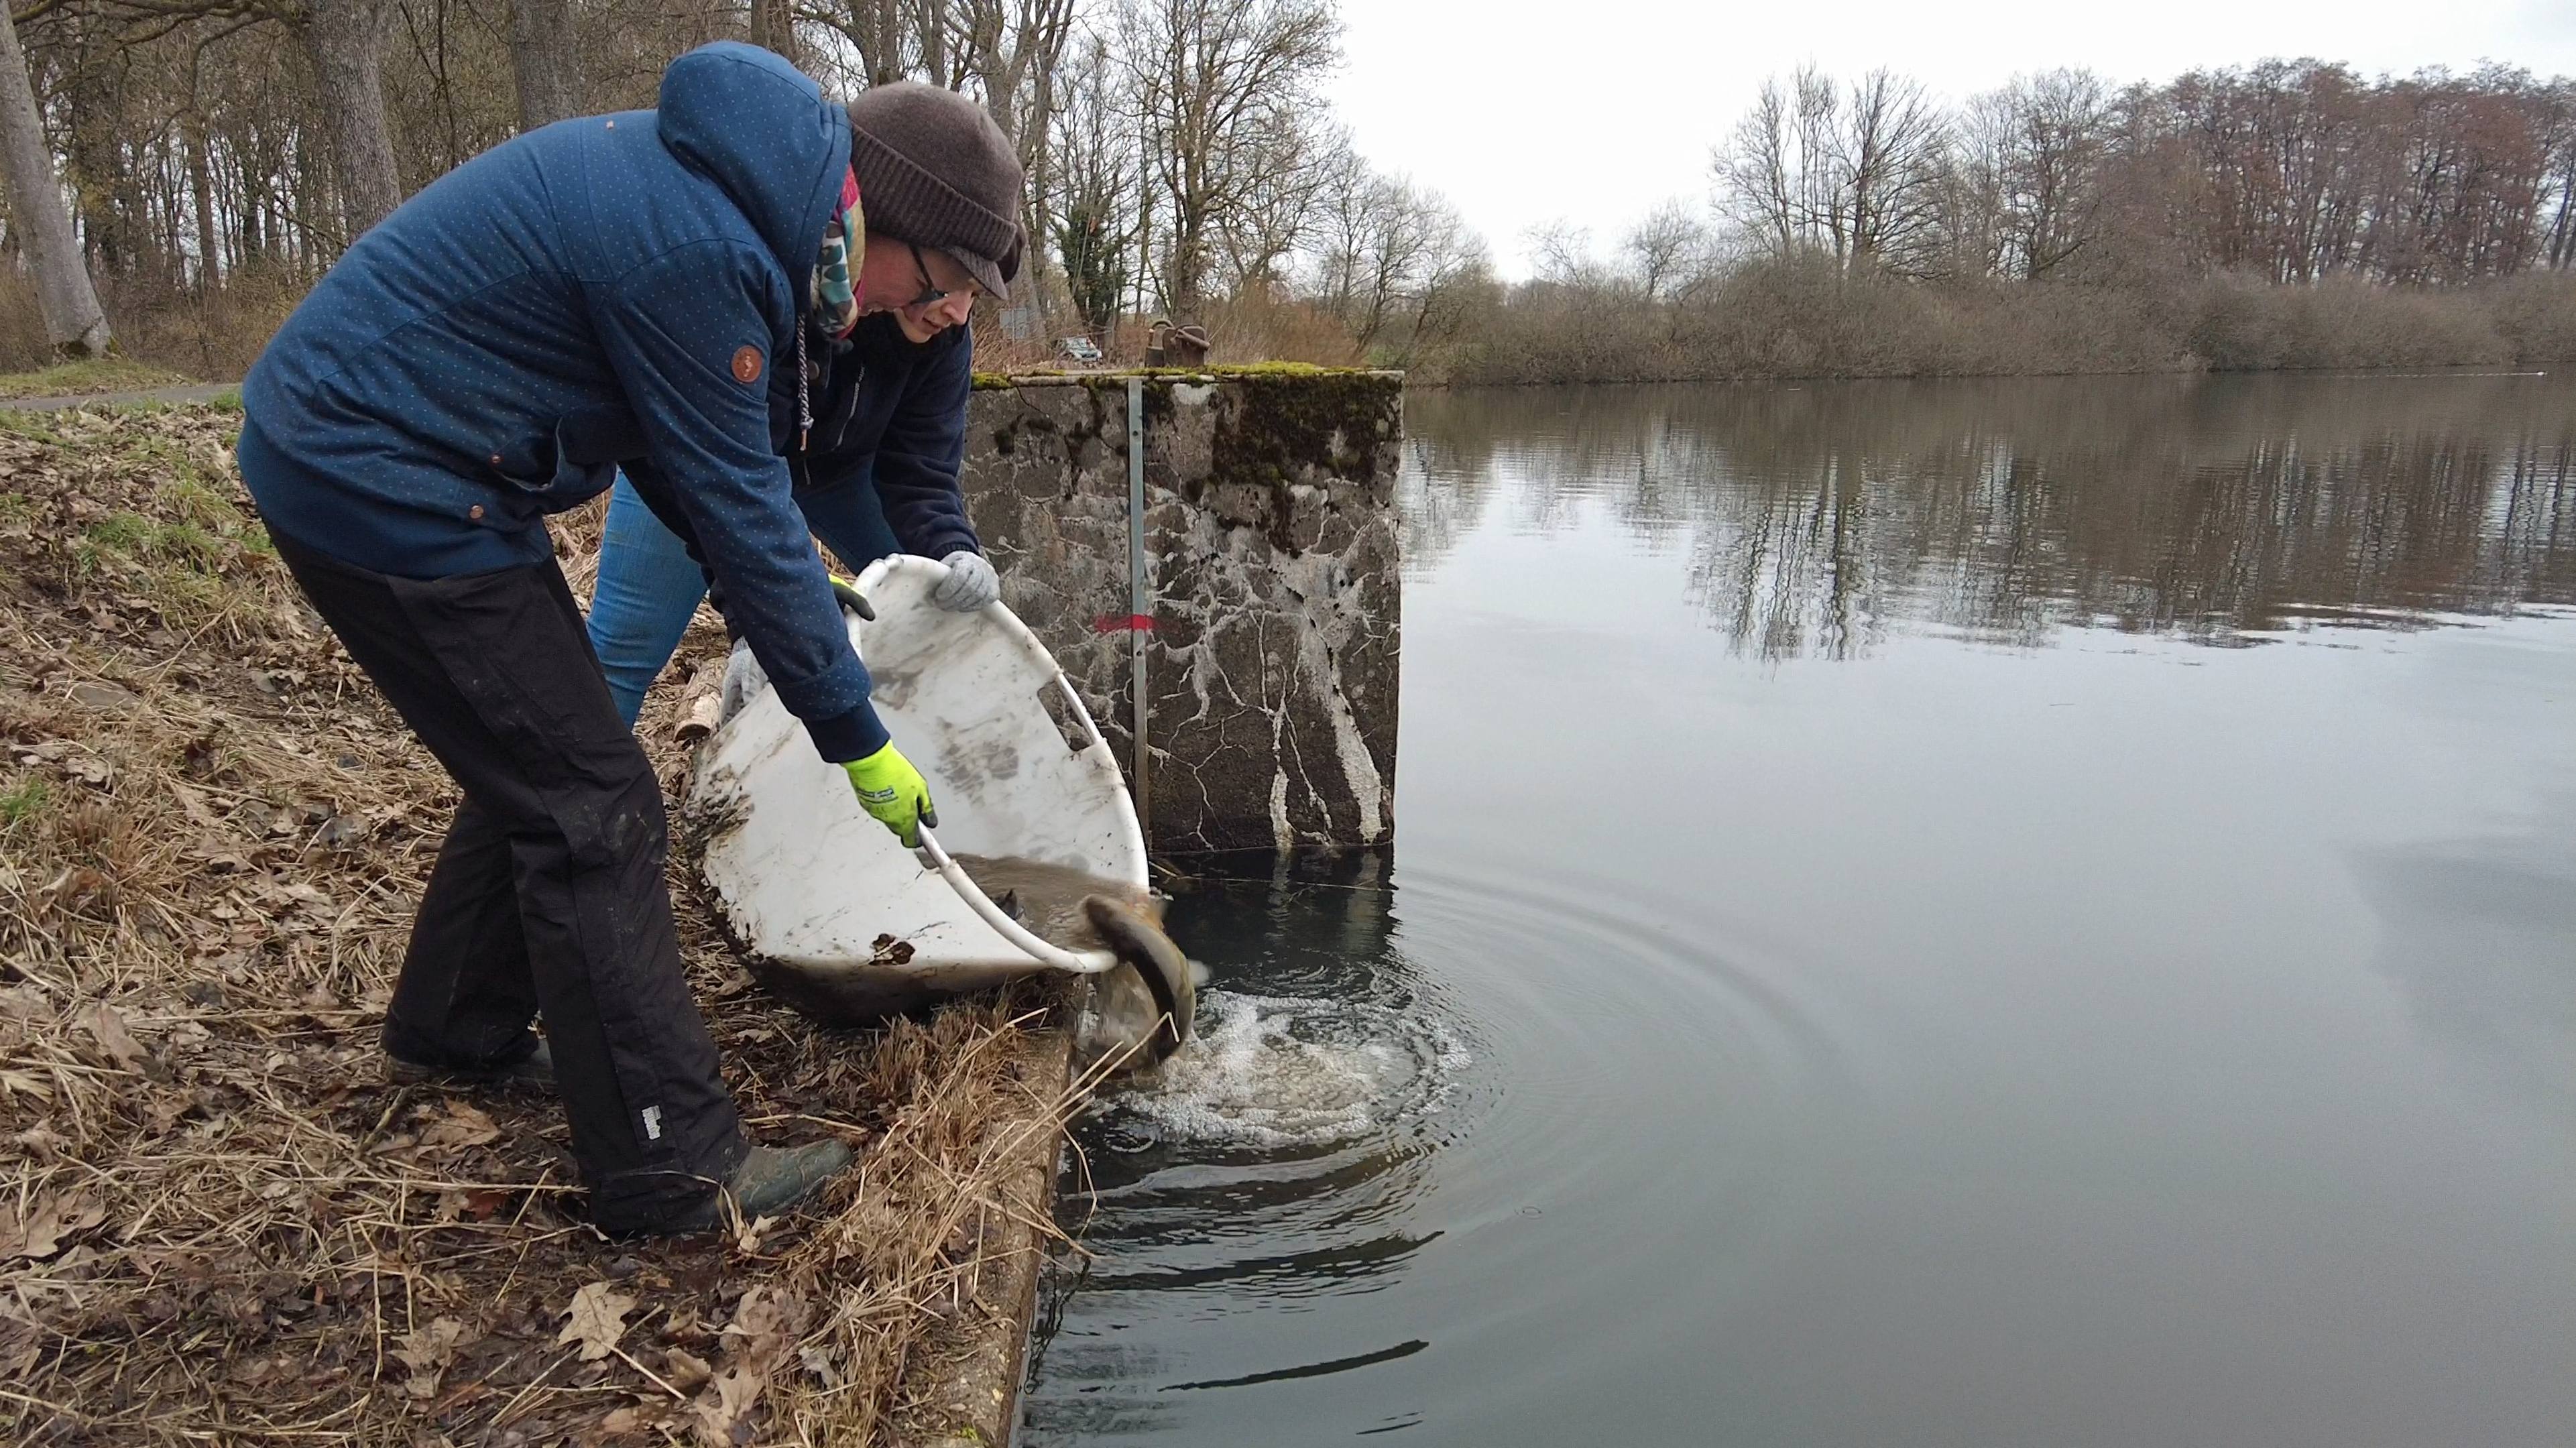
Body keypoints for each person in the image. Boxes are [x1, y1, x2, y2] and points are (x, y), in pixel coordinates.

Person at [233, 42, 1022, 1235]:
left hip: (429, 470)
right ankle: (672, 1179)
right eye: (948, 278)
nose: (950, 312)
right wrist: (852, 733)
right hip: (378, 472)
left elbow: (708, 481)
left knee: (544, 771)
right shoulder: (706, 247)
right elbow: (741, 500)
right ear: (888, 221)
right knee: (593, 809)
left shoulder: (757, 220)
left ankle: (453, 1030)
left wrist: (800, 592)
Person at [586, 76, 1011, 724]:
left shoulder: (942, 335)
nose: (957, 311)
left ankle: (940, 784)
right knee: (620, 649)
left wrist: (955, 548)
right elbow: (722, 474)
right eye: (950, 284)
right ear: (896, 235)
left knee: (941, 610)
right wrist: (755, 626)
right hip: (705, 459)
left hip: (841, 472)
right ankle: (556, 809)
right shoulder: (777, 275)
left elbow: (922, 471)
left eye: (975, 296)